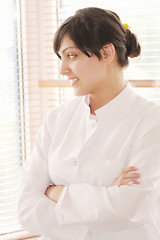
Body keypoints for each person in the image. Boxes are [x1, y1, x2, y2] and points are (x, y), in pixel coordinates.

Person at [17, 7, 160, 240]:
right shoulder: (56, 120)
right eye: (61, 58)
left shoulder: (152, 121)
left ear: (106, 52)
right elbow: (27, 210)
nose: (63, 69)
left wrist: (55, 192)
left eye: (71, 56)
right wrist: (104, 196)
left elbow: (127, 211)